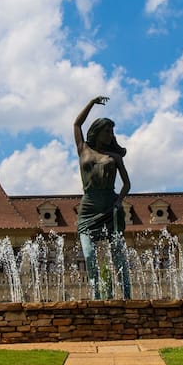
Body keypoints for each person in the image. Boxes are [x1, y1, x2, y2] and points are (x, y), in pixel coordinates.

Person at [73, 95, 132, 299]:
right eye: (107, 131)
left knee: (118, 255)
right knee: (89, 254)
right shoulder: (83, 149)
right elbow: (77, 123)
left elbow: (127, 184)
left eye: (112, 131)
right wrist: (90, 103)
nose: (110, 134)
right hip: (88, 205)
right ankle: (96, 295)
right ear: (97, 131)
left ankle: (126, 295)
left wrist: (118, 201)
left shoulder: (114, 157)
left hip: (109, 206)